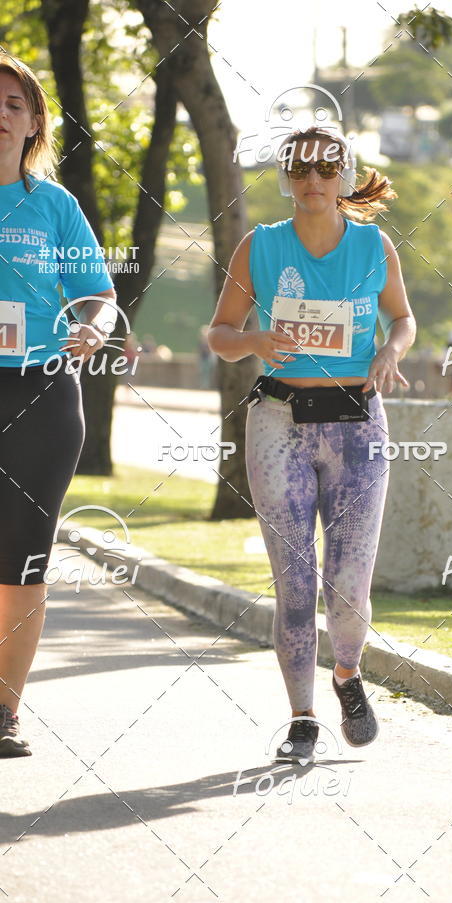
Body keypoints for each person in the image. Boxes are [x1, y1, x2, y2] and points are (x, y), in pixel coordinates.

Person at [207, 124, 416, 762]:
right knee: (295, 584)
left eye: (327, 170)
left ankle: (348, 675)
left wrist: (389, 350)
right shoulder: (260, 247)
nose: (313, 180)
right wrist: (254, 342)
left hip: (358, 423)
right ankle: (301, 718)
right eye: (301, 169)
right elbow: (219, 332)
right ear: (287, 177)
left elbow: (403, 318)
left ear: (344, 178)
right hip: (278, 422)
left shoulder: (374, 245)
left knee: (349, 582)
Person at [0, 55, 116, 757]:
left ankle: (4, 712)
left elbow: (99, 296)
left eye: (15, 101)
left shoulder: (54, 205)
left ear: (34, 121)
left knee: (21, 563)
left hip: (42, 391)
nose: (2, 110)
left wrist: (92, 329)